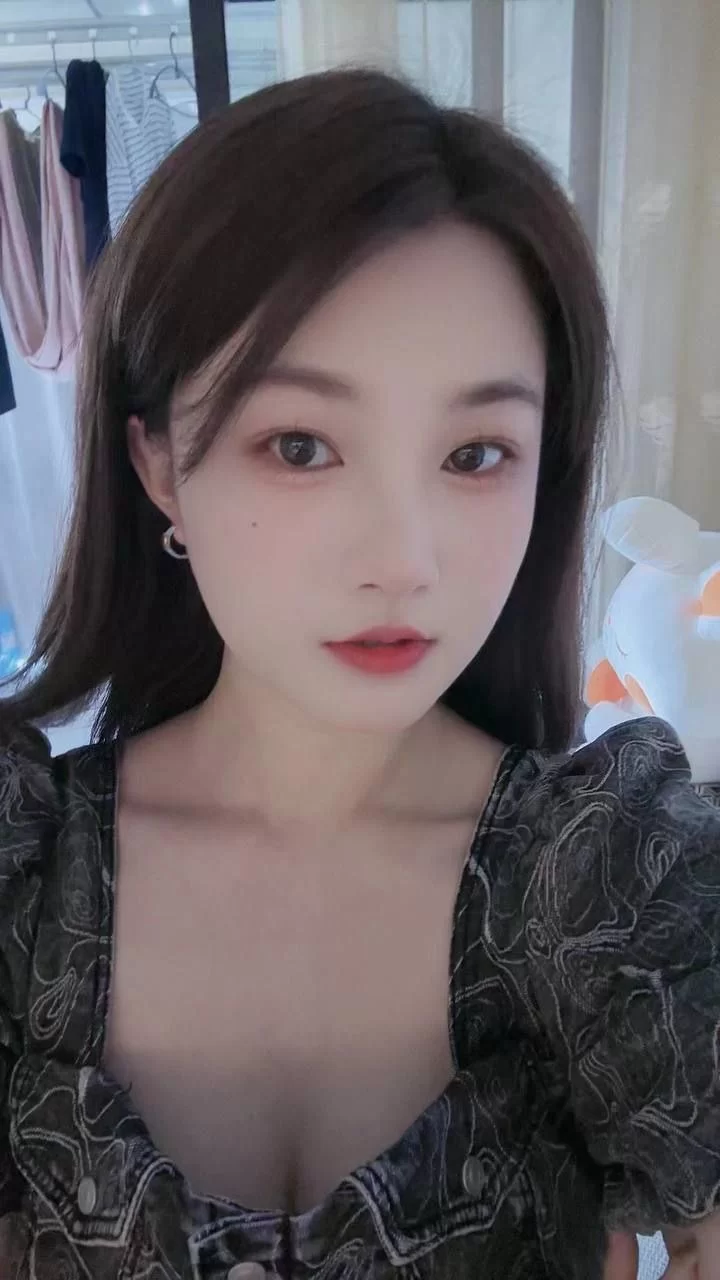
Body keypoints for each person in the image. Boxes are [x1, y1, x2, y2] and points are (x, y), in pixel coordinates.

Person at [0, 67, 718, 1280]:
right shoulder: (26, 886)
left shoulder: (624, 890)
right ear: (161, 464)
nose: (404, 558)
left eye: (476, 453)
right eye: (301, 444)